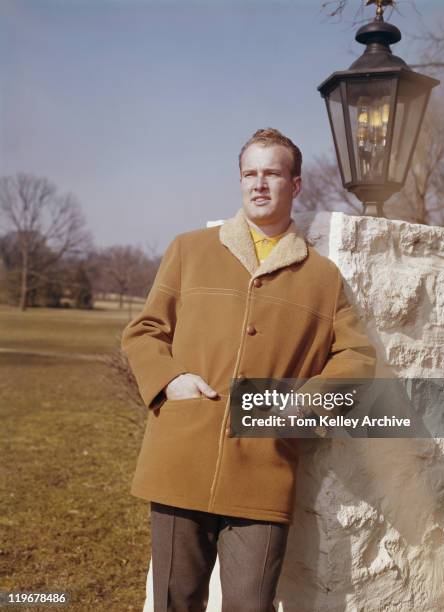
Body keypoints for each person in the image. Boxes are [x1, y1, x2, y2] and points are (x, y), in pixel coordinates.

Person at [121, 128, 376, 612]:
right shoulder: (188, 250)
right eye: (250, 174)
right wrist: (170, 380)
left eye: (273, 174)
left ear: (295, 184)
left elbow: (358, 357)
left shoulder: (322, 278)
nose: (259, 184)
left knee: (251, 605)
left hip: (264, 466)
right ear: (240, 181)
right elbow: (145, 330)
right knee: (175, 601)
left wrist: (303, 402)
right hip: (181, 454)